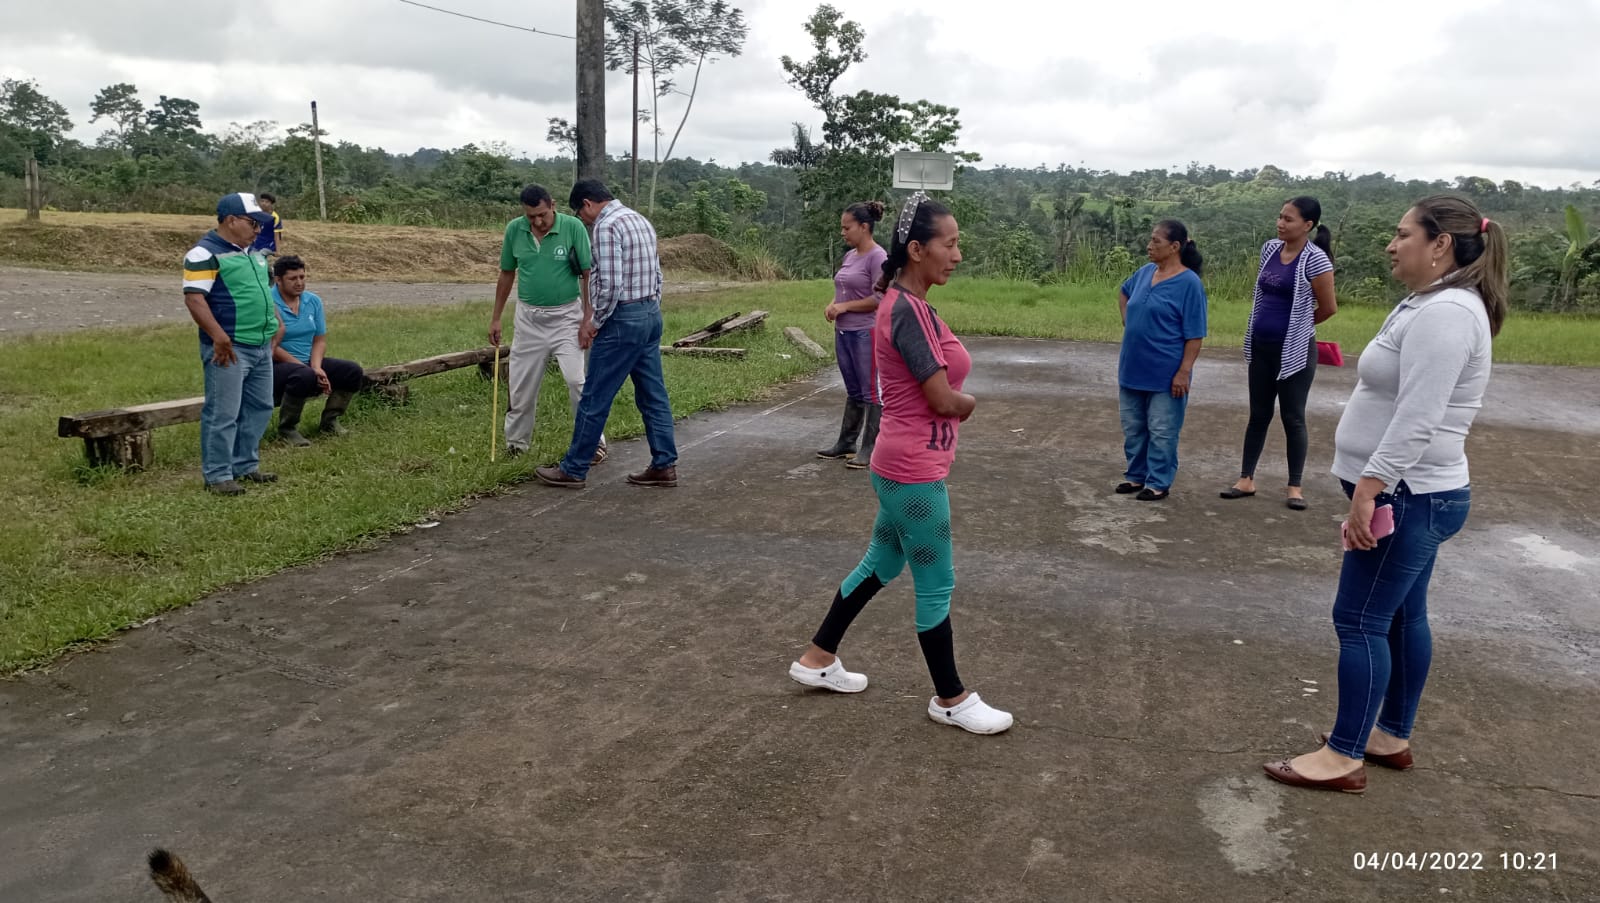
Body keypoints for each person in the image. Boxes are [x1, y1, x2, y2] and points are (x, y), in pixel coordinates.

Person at [1263, 195, 1507, 794]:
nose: (1390, 245)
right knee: (1400, 614)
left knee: (1359, 618)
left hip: (1409, 493)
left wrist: (1370, 491)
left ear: (1440, 244)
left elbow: (1418, 417)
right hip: (1415, 491)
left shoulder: (1448, 313)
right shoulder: (1430, 301)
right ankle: (1388, 736)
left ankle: (1343, 755)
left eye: (1402, 235)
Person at [787, 192, 1013, 736]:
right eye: (949, 244)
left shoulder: (910, 303)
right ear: (916, 249)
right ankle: (951, 698)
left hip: (899, 463)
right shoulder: (906, 311)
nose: (957, 255)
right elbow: (942, 399)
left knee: (882, 564)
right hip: (913, 472)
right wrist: (970, 404)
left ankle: (818, 658)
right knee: (936, 581)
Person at [536, 180, 677, 489]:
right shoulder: (639, 219)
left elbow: (610, 284)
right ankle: (664, 464)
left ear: (587, 203)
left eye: (581, 214)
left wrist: (595, 321)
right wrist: (650, 308)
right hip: (649, 313)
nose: (584, 221)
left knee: (594, 397)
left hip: (621, 320)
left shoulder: (606, 226)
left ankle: (574, 468)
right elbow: (657, 273)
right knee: (653, 395)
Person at [1221, 197, 1338, 510]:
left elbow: (1329, 308)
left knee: (1293, 417)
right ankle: (1246, 479)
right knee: (1258, 414)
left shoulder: (1316, 260)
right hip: (1261, 346)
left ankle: (1294, 487)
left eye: (1289, 219)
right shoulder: (1270, 249)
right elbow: (1262, 293)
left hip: (1294, 351)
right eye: (1280, 217)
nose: (1280, 223)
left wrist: (1298, 327)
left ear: (1307, 225)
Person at [490, 184, 605, 461]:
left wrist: (587, 318)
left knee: (577, 381)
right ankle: (516, 444)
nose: (538, 222)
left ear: (552, 205)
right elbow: (507, 273)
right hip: (529, 319)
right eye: (531, 217)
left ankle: (593, 443)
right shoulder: (515, 230)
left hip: (566, 317)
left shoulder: (573, 227)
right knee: (520, 385)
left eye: (542, 214)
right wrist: (496, 318)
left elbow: (587, 274)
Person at [182, 192, 283, 495]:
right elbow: (195, 299)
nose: (258, 229)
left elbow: (264, 290)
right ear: (231, 220)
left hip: (260, 344)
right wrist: (219, 336)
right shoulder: (203, 254)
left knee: (260, 407)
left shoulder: (255, 253)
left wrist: (276, 322)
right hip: (230, 347)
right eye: (253, 223)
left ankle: (245, 465)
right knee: (223, 412)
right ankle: (218, 475)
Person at [1114, 220, 1208, 501]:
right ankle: (1136, 475)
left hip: (1166, 372)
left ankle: (1158, 481)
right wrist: (1128, 320)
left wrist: (1184, 371)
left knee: (1162, 430)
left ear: (1175, 247)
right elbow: (1124, 291)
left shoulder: (1189, 284)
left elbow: (1195, 335)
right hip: (1133, 366)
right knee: (1133, 427)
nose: (1149, 246)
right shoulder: (1145, 272)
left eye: (1156, 241)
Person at [816, 201, 888, 468]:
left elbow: (879, 298)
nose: (843, 232)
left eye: (847, 228)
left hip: (865, 332)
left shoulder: (877, 257)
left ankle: (871, 448)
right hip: (844, 331)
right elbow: (843, 289)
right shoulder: (850, 256)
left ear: (864, 227)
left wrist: (844, 307)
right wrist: (833, 304)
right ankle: (846, 443)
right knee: (854, 389)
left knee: (870, 391)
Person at [270, 256, 364, 446]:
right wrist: (308, 370)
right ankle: (287, 428)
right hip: (275, 365)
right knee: (304, 375)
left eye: (302, 277)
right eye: (292, 278)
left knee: (351, 371)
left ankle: (330, 421)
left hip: (307, 363)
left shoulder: (312, 301)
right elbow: (271, 346)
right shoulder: (267, 301)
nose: (299, 283)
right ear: (278, 280)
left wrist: (316, 367)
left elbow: (319, 340)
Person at [251, 192, 283, 280]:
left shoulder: (275, 217)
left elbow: (277, 235)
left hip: (269, 244)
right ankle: (269, 273)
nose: (264, 203)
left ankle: (269, 274)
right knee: (251, 257)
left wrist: (278, 251)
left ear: (271, 204)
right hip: (257, 243)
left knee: (259, 256)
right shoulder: (257, 214)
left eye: (267, 202)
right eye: (262, 201)